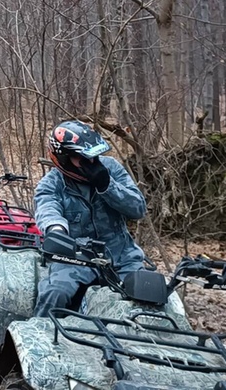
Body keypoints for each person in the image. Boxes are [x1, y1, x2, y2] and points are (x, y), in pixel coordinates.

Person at [33, 120, 147, 318]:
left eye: (93, 156)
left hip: (122, 259)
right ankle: (37, 342)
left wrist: (107, 185)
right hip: (74, 259)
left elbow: (138, 209)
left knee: (152, 299)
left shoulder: (111, 169)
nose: (91, 162)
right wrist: (57, 231)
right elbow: (47, 210)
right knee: (55, 294)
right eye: (82, 158)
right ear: (64, 158)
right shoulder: (51, 184)